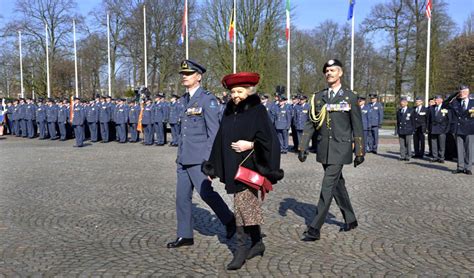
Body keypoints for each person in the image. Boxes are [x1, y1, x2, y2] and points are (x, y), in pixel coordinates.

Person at [202, 72, 283, 270]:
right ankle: (257, 242)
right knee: (247, 208)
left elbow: (271, 141)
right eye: (233, 92)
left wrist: (251, 144)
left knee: (242, 207)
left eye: (240, 91)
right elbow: (221, 138)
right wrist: (213, 164)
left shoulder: (258, 111)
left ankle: (240, 249)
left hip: (250, 167)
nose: (235, 95)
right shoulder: (229, 111)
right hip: (232, 166)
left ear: (249, 91)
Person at [167, 59, 235, 249]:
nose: (184, 77)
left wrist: (208, 160)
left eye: (188, 74)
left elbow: (214, 132)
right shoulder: (183, 100)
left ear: (198, 76)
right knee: (181, 197)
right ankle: (185, 234)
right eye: (183, 74)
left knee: (206, 194)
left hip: (198, 158)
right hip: (183, 157)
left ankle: (229, 221)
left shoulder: (207, 99)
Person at [298, 59, 364, 241]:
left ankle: (314, 227)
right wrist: (303, 146)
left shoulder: (350, 97)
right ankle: (350, 219)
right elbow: (311, 122)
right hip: (324, 148)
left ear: (340, 73)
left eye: (333, 70)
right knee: (337, 184)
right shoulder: (318, 97)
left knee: (327, 185)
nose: (329, 73)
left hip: (340, 148)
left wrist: (360, 150)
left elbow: (357, 125)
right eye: (326, 71)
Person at [446, 85, 473, 175]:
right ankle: (460, 167)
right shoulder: (456, 102)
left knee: (469, 149)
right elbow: (445, 104)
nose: (462, 94)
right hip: (459, 128)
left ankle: (468, 167)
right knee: (460, 149)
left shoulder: (473, 102)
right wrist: (454, 95)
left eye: (464, 92)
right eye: (461, 92)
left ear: (468, 93)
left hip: (470, 128)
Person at [428, 95, 450, 163]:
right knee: (434, 144)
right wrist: (428, 128)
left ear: (441, 100)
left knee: (441, 144)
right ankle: (435, 157)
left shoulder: (445, 107)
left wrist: (447, 129)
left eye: (437, 100)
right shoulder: (432, 108)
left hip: (442, 129)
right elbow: (429, 119)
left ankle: (441, 157)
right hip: (433, 128)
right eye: (435, 100)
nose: (435, 101)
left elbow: (449, 119)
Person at [396, 97, 415, 161]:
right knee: (402, 144)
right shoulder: (399, 111)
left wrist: (413, 129)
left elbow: (413, 121)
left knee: (408, 144)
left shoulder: (411, 110)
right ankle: (402, 155)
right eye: (401, 102)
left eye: (404, 102)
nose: (402, 103)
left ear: (407, 103)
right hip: (401, 130)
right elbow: (398, 122)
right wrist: (397, 130)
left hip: (408, 129)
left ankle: (408, 156)